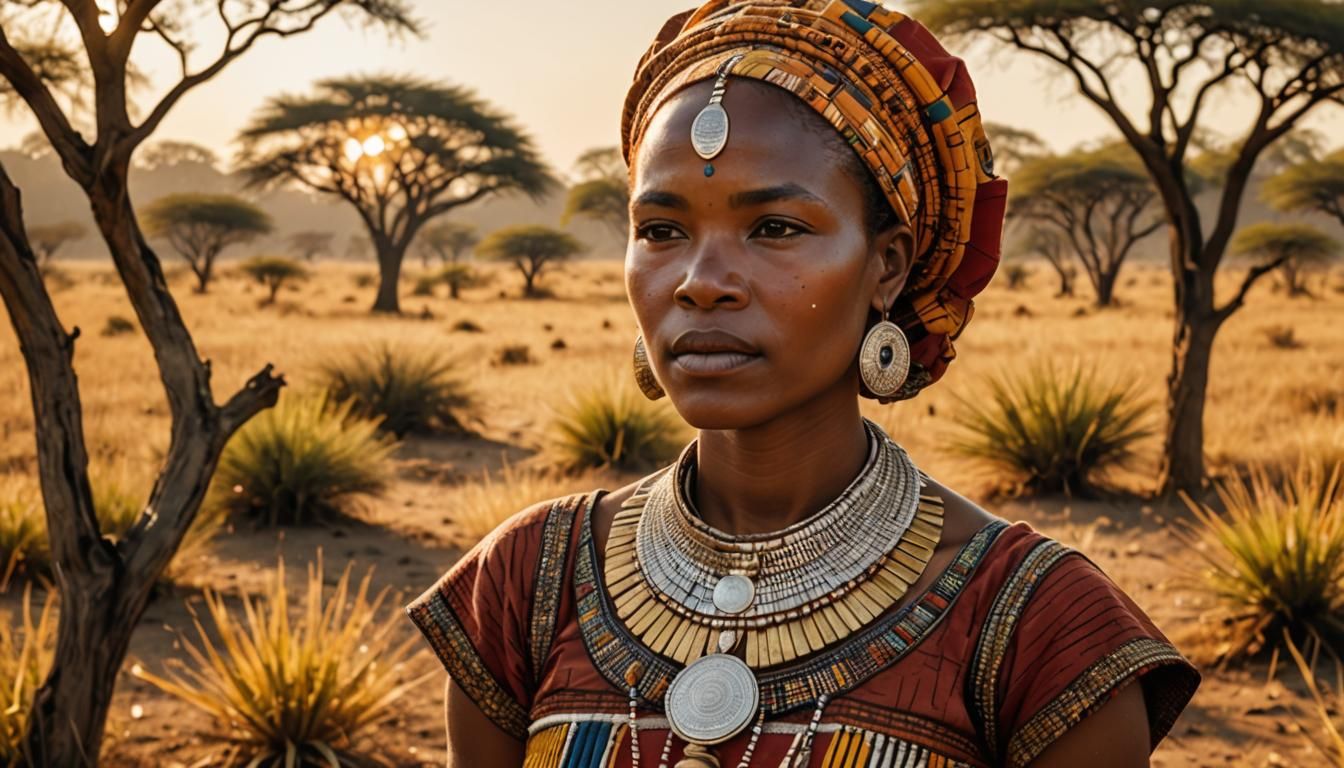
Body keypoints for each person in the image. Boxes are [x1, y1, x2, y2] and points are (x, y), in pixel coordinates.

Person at [406, 2, 1201, 766]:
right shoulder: (526, 584)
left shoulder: (1039, 628)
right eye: (661, 230)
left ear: (886, 266)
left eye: (775, 228)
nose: (700, 281)